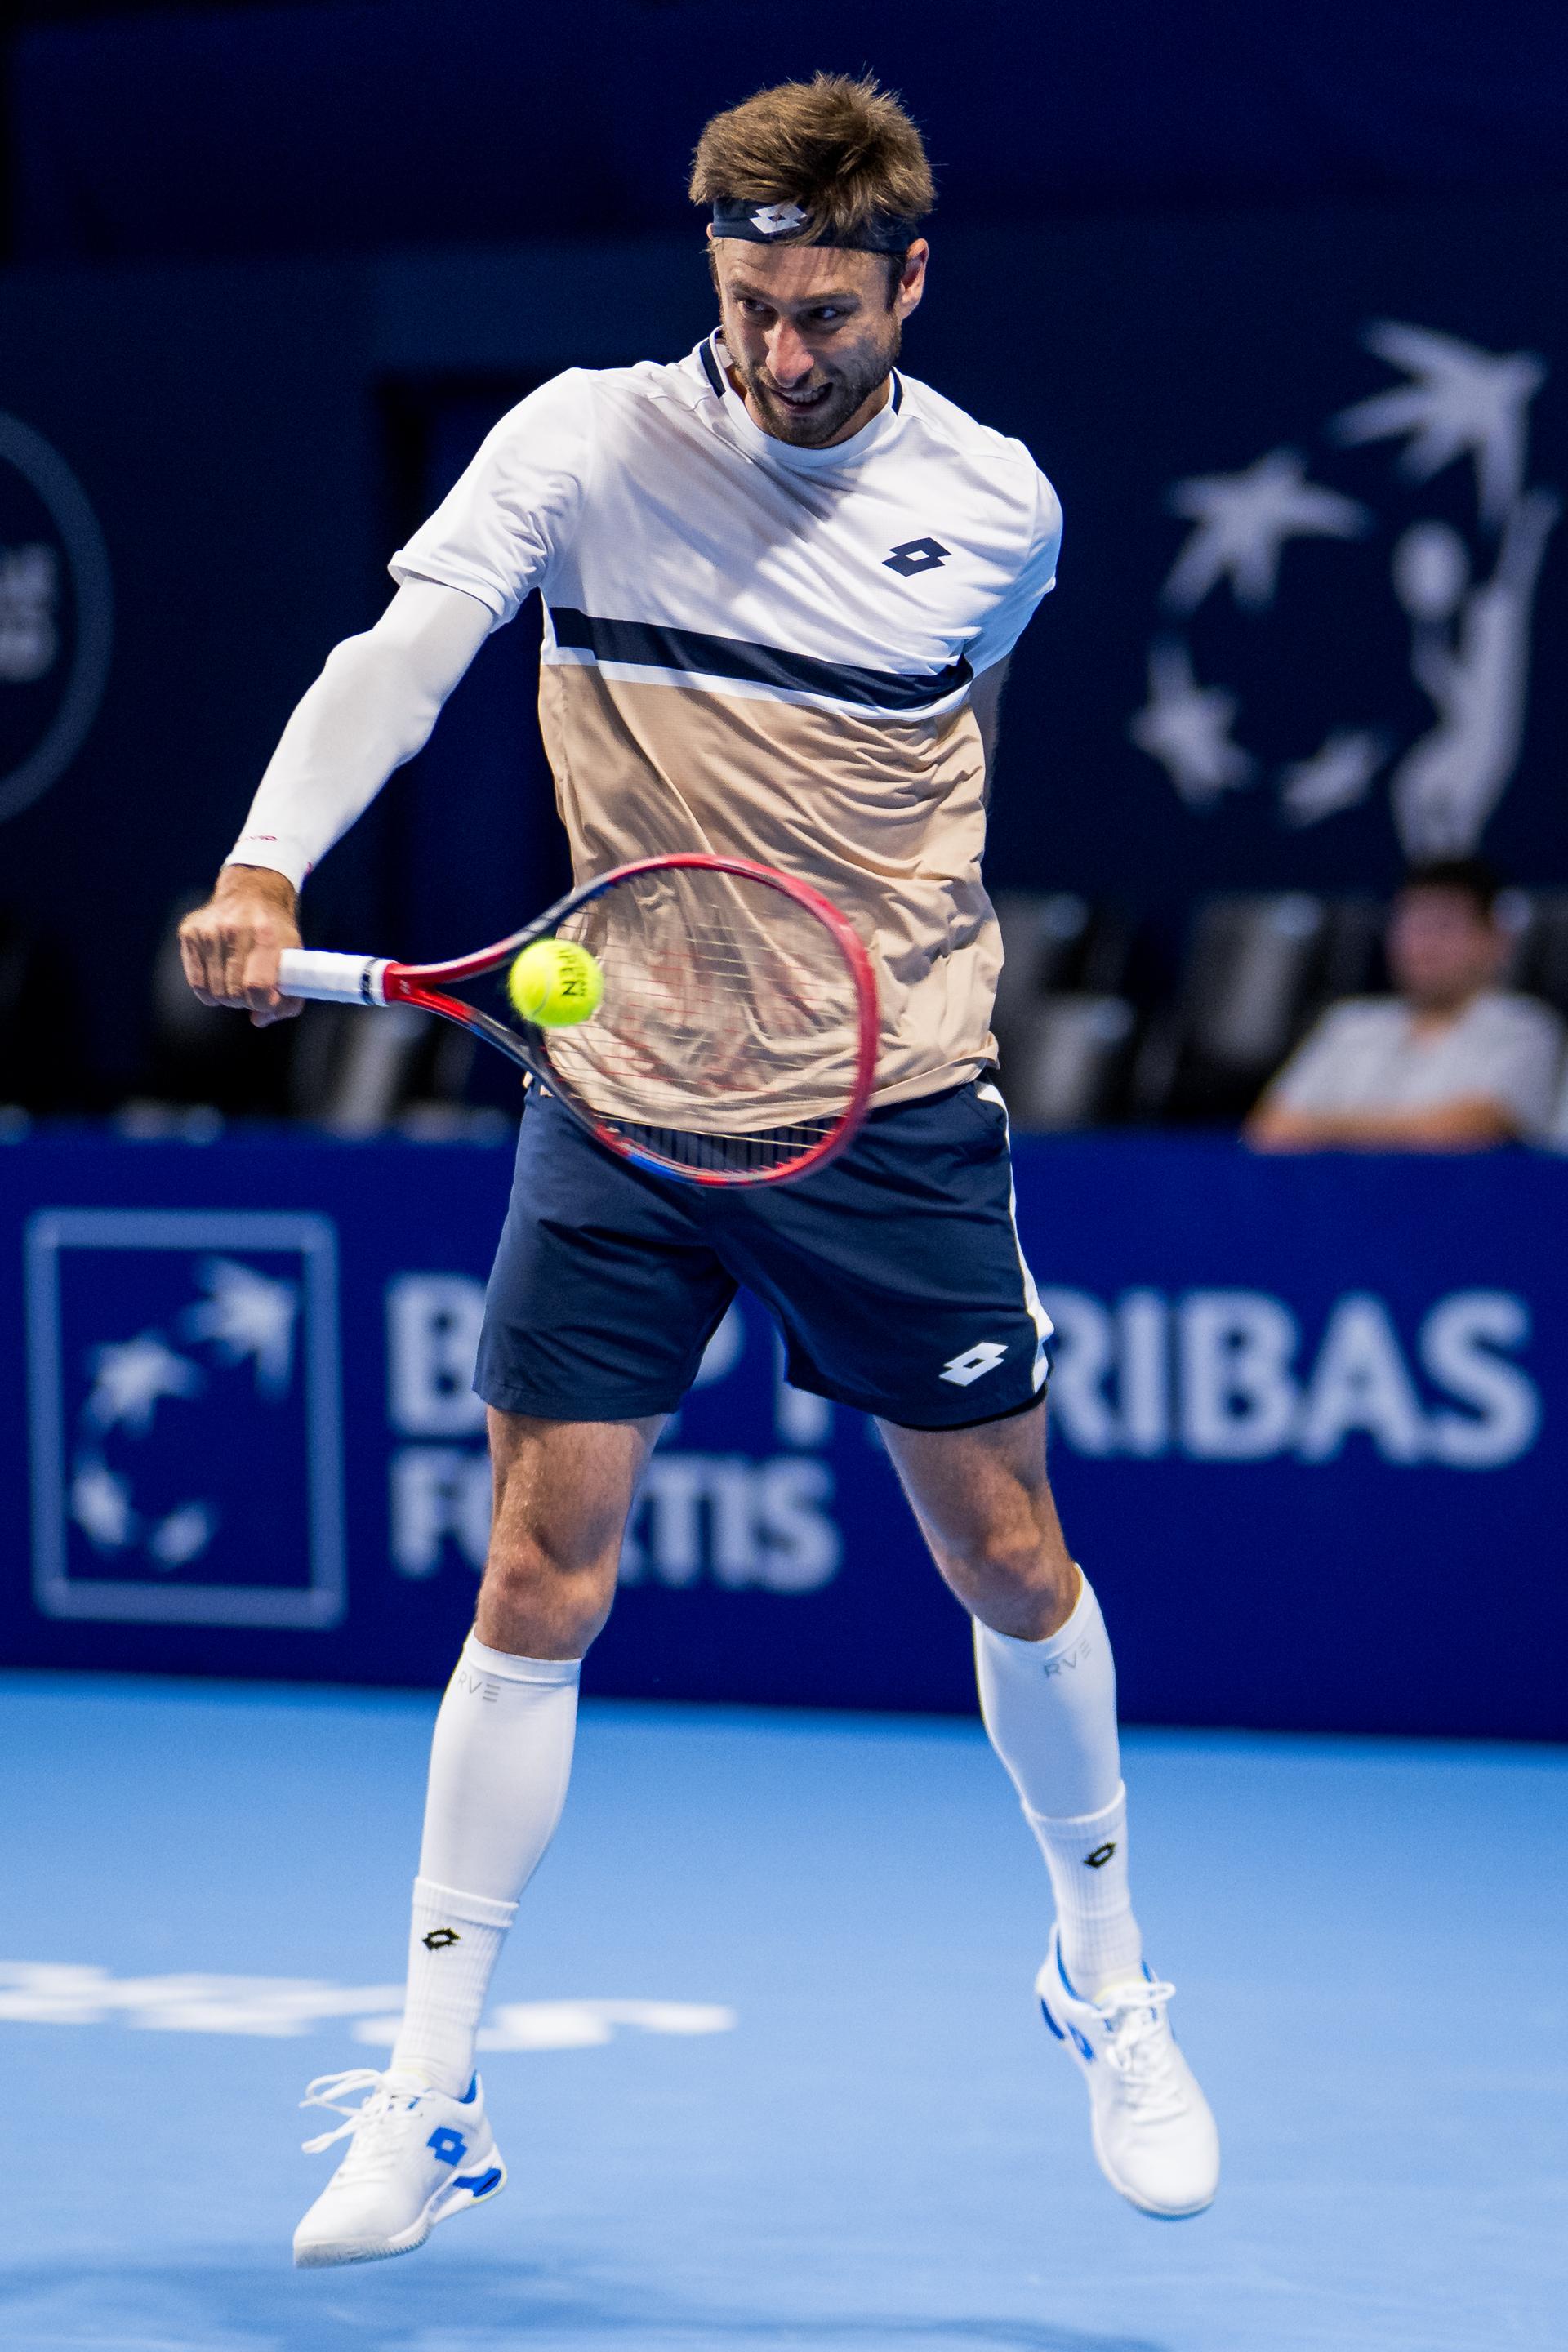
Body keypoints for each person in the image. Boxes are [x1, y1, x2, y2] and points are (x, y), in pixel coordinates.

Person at [178, 74, 1219, 2264]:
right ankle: (431, 2087)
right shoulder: (579, 438)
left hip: (889, 1098)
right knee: (535, 1579)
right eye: (746, 304)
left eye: (825, 311)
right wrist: (273, 858)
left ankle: (1110, 1985)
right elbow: (410, 653)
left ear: (911, 282)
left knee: (1017, 1562)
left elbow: (948, 734)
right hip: (624, 1104)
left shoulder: (1000, 506)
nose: (776, 352)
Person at [1247, 858, 1564, 1151]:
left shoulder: (1525, 1028)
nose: (1423, 945)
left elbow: (1471, 1127)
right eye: (1410, 925)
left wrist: (1324, 1128)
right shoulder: (1349, 1023)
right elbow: (1270, 1129)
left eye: (1443, 927)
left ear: (1495, 940)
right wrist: (1406, 1129)